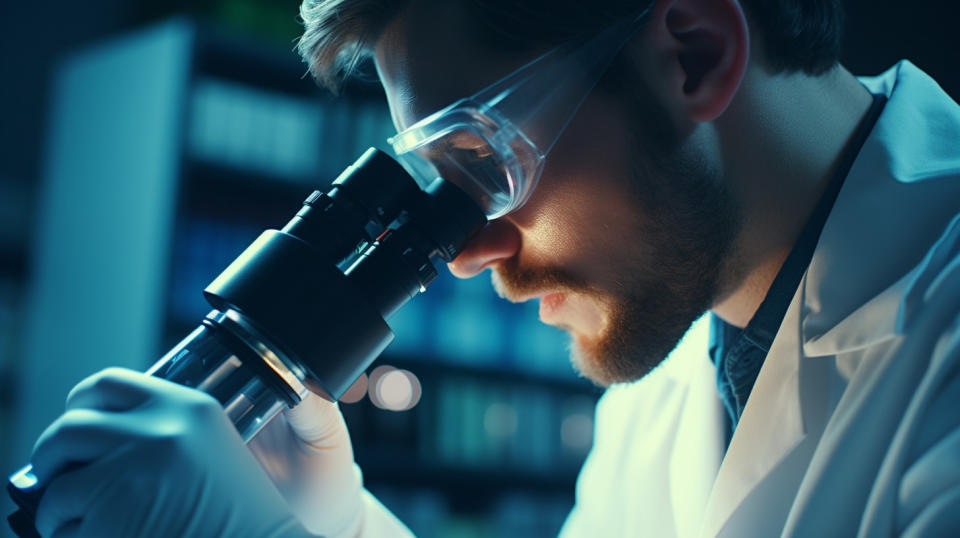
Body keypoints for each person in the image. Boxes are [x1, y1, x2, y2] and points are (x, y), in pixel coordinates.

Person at [23, 0, 960, 536]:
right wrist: (335, 524)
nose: (468, 256)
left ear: (693, 54)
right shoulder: (670, 372)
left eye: (483, 165)